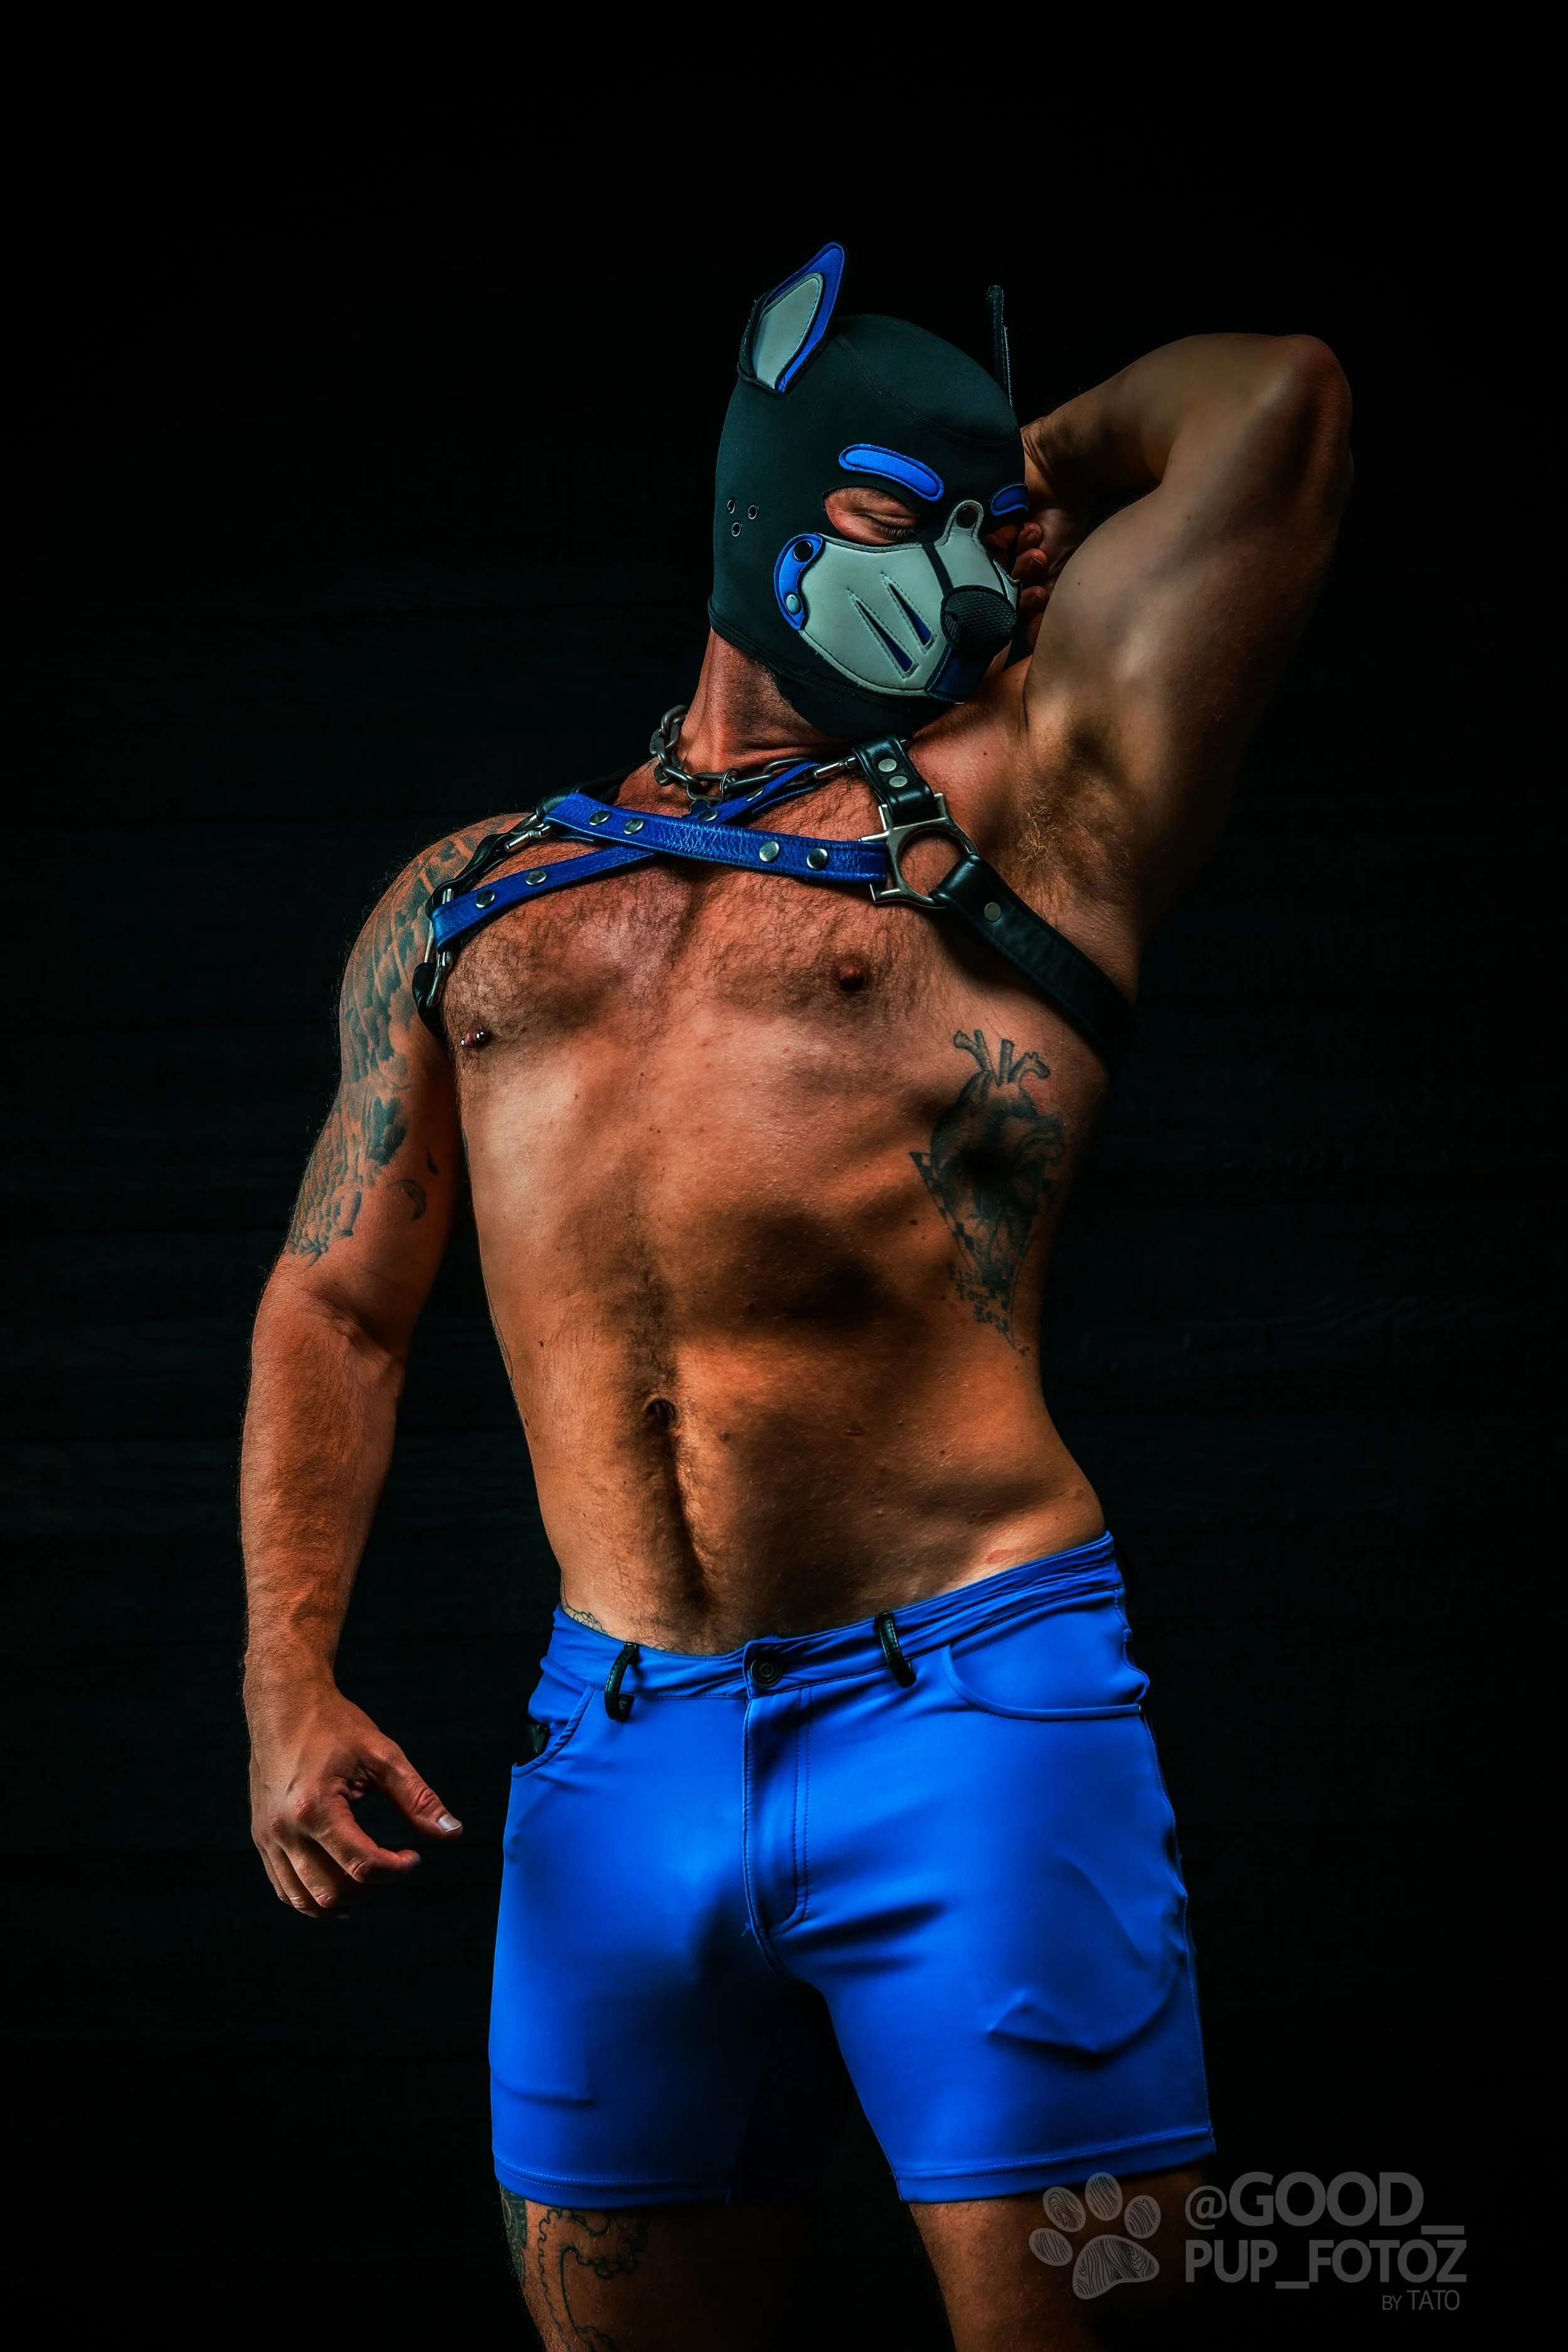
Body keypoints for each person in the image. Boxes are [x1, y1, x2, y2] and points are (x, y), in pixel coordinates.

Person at [241, 245, 1350, 2349]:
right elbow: (337, 1304)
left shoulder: (1038, 794)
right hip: (611, 1754)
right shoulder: (474, 898)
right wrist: (286, 1681)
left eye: (972, 534)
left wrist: (1026, 469)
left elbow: (1276, 401)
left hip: (971, 1713)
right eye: (886, 513)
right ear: (761, 508)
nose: (946, 570)